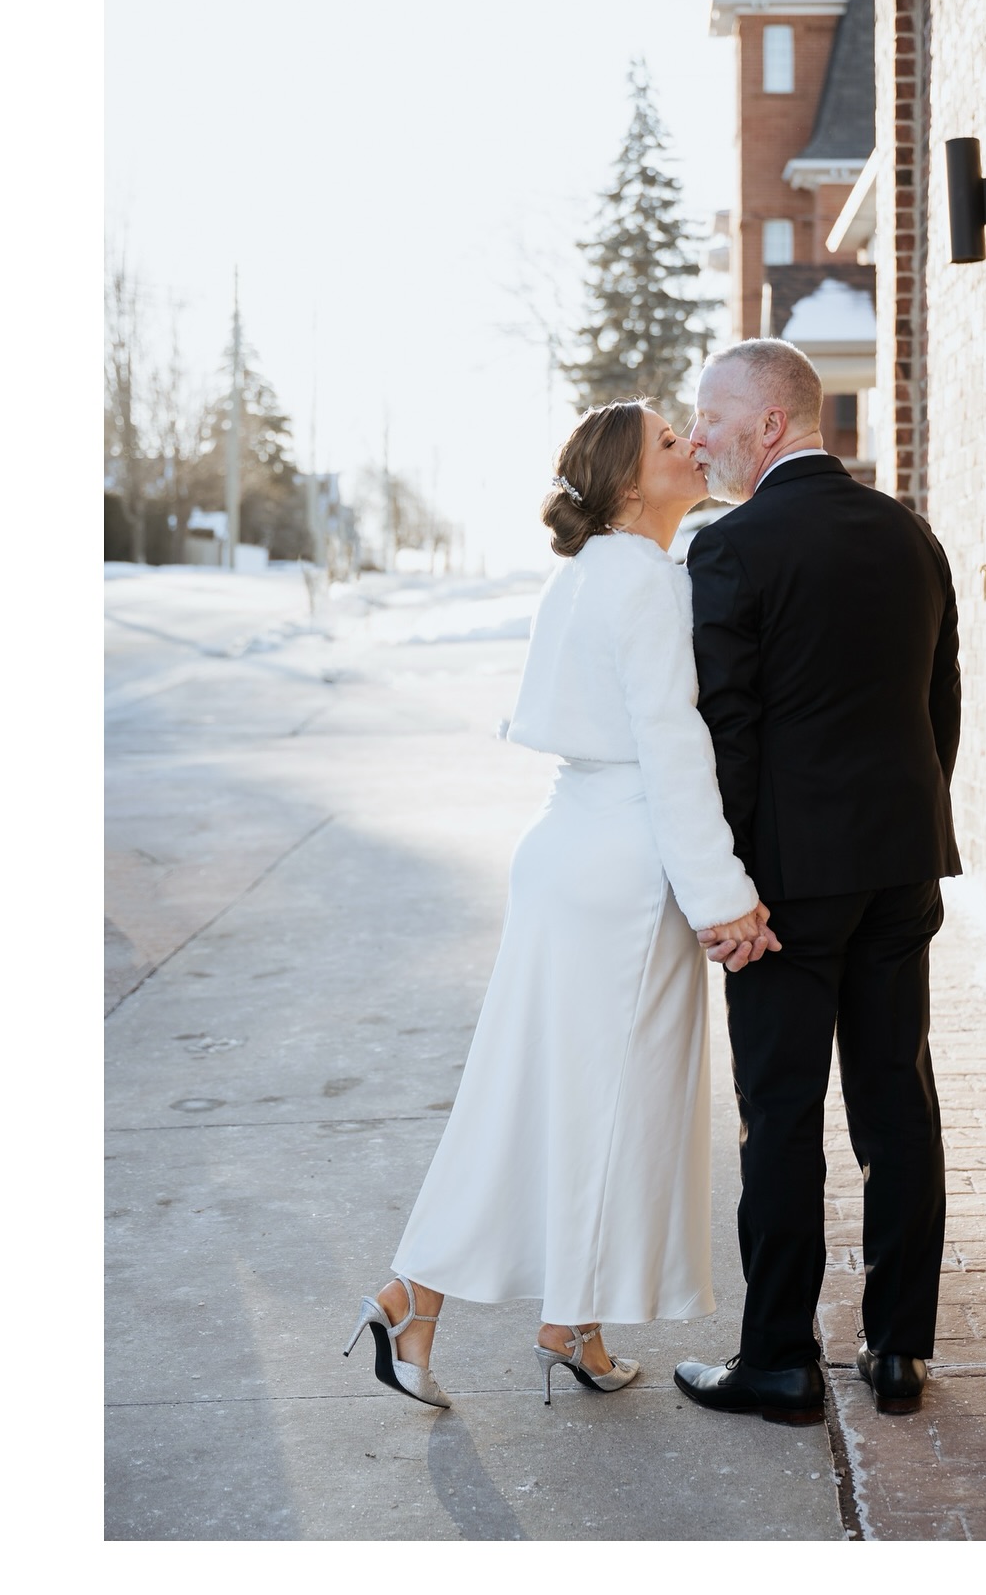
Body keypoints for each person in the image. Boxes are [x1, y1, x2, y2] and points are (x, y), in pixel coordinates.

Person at [344, 399, 778, 1410]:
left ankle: (558, 1318)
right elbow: (674, 752)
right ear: (630, 483)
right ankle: (424, 1293)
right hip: (624, 869)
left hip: (572, 851)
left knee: (554, 1092)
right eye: (671, 440)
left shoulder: (597, 575)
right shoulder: (640, 584)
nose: (693, 444)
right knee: (597, 1100)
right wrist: (726, 899)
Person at [673, 338, 962, 1426]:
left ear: (774, 423)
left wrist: (729, 887)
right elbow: (942, 704)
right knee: (898, 1102)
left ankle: (781, 1359)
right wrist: (911, 823)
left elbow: (728, 738)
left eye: (712, 415)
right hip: (900, 867)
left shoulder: (733, 549)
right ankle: (898, 1353)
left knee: (782, 1115)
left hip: (788, 889)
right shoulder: (912, 537)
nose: (699, 436)